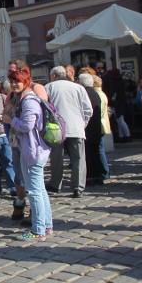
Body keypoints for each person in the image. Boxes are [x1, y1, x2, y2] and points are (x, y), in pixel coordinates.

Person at [3, 69, 52, 241]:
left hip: (33, 150)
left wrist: (11, 121)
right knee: (40, 189)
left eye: (17, 81)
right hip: (33, 149)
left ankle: (38, 230)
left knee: (34, 191)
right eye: (12, 81)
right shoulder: (22, 99)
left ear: (27, 81)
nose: (14, 84)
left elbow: (26, 125)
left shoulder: (29, 101)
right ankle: (46, 226)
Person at [45, 66, 92, 198]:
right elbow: (88, 109)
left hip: (56, 128)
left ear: (53, 75)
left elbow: (44, 108)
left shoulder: (49, 87)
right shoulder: (78, 87)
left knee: (57, 158)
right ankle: (78, 187)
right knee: (78, 158)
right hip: (76, 127)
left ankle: (55, 184)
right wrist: (83, 123)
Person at [78, 74, 105, 186]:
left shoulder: (85, 93)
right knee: (95, 154)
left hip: (88, 128)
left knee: (89, 154)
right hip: (96, 128)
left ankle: (90, 177)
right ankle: (98, 176)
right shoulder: (95, 93)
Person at [93, 75, 111, 181]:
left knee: (100, 149)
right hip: (102, 123)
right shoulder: (101, 93)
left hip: (100, 124)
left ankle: (104, 172)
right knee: (100, 148)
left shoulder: (98, 94)